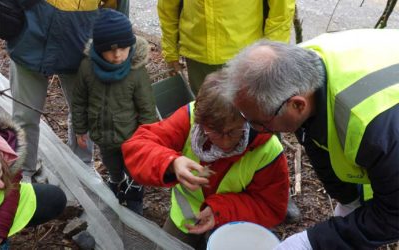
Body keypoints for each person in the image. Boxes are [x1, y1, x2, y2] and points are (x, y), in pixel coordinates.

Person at [222, 29, 399, 249]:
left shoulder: (374, 131)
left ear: (297, 105)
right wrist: (347, 199)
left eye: (260, 122)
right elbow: (314, 136)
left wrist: (312, 243)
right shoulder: (297, 67)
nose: (255, 129)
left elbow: (393, 216)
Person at [121, 70, 289, 249]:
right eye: (214, 132)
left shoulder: (267, 147)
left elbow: (271, 206)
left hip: (236, 220)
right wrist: (171, 162)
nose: (225, 142)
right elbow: (137, 147)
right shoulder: (190, 117)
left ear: (246, 120)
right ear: (200, 123)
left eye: (233, 132)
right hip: (186, 214)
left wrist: (219, 211)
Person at [6, 0, 127, 183]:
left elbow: (116, 11)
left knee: (84, 112)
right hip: (30, 41)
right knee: (25, 115)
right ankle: (24, 174)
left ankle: (83, 167)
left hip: (80, 46)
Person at [71, 9, 157, 215]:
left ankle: (135, 189)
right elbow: (79, 100)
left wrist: (149, 136)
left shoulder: (136, 72)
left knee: (134, 168)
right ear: (99, 49)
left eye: (123, 49)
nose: (117, 55)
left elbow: (147, 107)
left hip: (132, 138)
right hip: (103, 135)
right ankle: (116, 182)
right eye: (110, 50)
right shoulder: (87, 68)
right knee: (112, 164)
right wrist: (80, 129)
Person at [157, 0, 296, 95]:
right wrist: (171, 53)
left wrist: (271, 57)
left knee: (257, 120)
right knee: (210, 120)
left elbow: (281, 13)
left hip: (248, 58)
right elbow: (167, 8)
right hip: (198, 58)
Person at [0, 113, 66, 249]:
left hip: (3, 206)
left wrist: (1, 229)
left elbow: (12, 185)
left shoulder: (7, 141)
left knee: (54, 197)